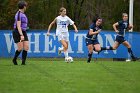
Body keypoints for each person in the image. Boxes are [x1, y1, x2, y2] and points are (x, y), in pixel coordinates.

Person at [12, 0, 29, 65]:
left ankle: (23, 63)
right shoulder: (18, 14)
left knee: (26, 47)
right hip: (17, 32)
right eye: (25, 6)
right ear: (23, 6)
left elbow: (23, 24)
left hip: (23, 31)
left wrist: (25, 28)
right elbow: (18, 26)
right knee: (20, 48)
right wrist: (21, 35)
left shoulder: (23, 14)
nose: (26, 7)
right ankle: (14, 59)